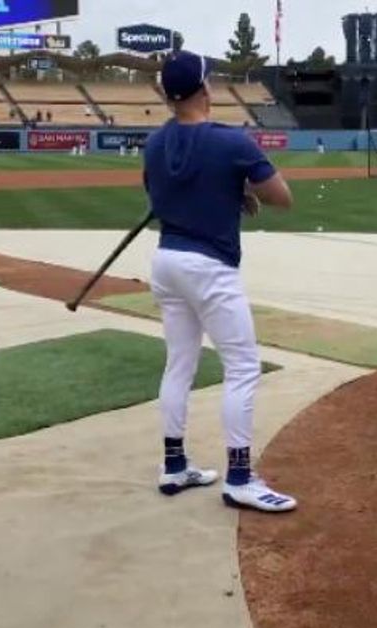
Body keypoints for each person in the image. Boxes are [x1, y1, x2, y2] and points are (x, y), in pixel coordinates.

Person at [143, 51, 296, 512]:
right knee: (243, 367)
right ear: (206, 89)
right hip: (209, 267)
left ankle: (174, 466)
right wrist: (244, 190)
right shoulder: (232, 142)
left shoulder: (155, 142)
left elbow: (154, 192)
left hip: (167, 260)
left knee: (179, 365)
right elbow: (282, 197)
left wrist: (228, 193)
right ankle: (240, 477)